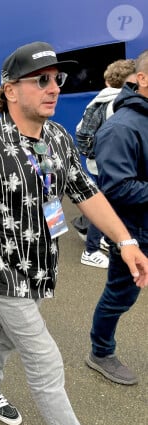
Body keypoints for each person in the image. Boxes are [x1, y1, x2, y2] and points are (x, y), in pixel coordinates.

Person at [0, 41, 148, 425]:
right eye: (41, 80)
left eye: (57, 79)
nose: (54, 88)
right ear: (10, 91)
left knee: (3, 336)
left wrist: (126, 241)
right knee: (44, 357)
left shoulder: (60, 138)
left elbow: (87, 192)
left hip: (37, 268)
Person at [86, 50, 148, 385]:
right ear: (143, 79)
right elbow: (117, 188)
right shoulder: (121, 128)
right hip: (134, 232)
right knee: (120, 295)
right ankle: (100, 350)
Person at [75, 59, 137, 269]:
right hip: (107, 166)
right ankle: (90, 251)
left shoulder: (103, 99)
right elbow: (91, 136)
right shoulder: (113, 103)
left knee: (105, 201)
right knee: (104, 205)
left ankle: (102, 237)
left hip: (102, 164)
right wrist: (105, 158)